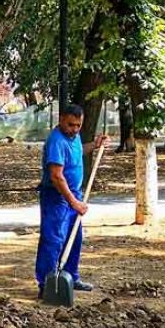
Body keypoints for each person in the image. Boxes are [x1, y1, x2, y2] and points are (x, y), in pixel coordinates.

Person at [35, 104, 109, 298]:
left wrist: (94, 145)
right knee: (53, 240)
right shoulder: (56, 141)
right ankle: (47, 285)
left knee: (74, 238)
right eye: (70, 125)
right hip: (56, 197)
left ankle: (70, 278)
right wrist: (74, 203)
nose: (75, 129)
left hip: (73, 194)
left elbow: (76, 152)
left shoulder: (72, 137)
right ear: (61, 120)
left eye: (78, 125)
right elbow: (56, 176)